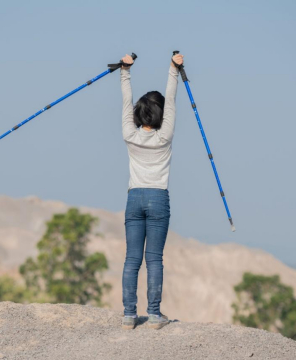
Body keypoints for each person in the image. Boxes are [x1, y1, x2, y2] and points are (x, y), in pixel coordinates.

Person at [120, 52, 183, 330]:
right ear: (160, 115)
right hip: (158, 198)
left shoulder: (129, 135)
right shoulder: (165, 135)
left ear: (139, 113)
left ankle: (129, 315)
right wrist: (173, 69)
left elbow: (125, 101)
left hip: (134, 198)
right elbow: (171, 103)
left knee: (132, 259)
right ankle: (155, 315)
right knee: (154, 259)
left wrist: (125, 70)